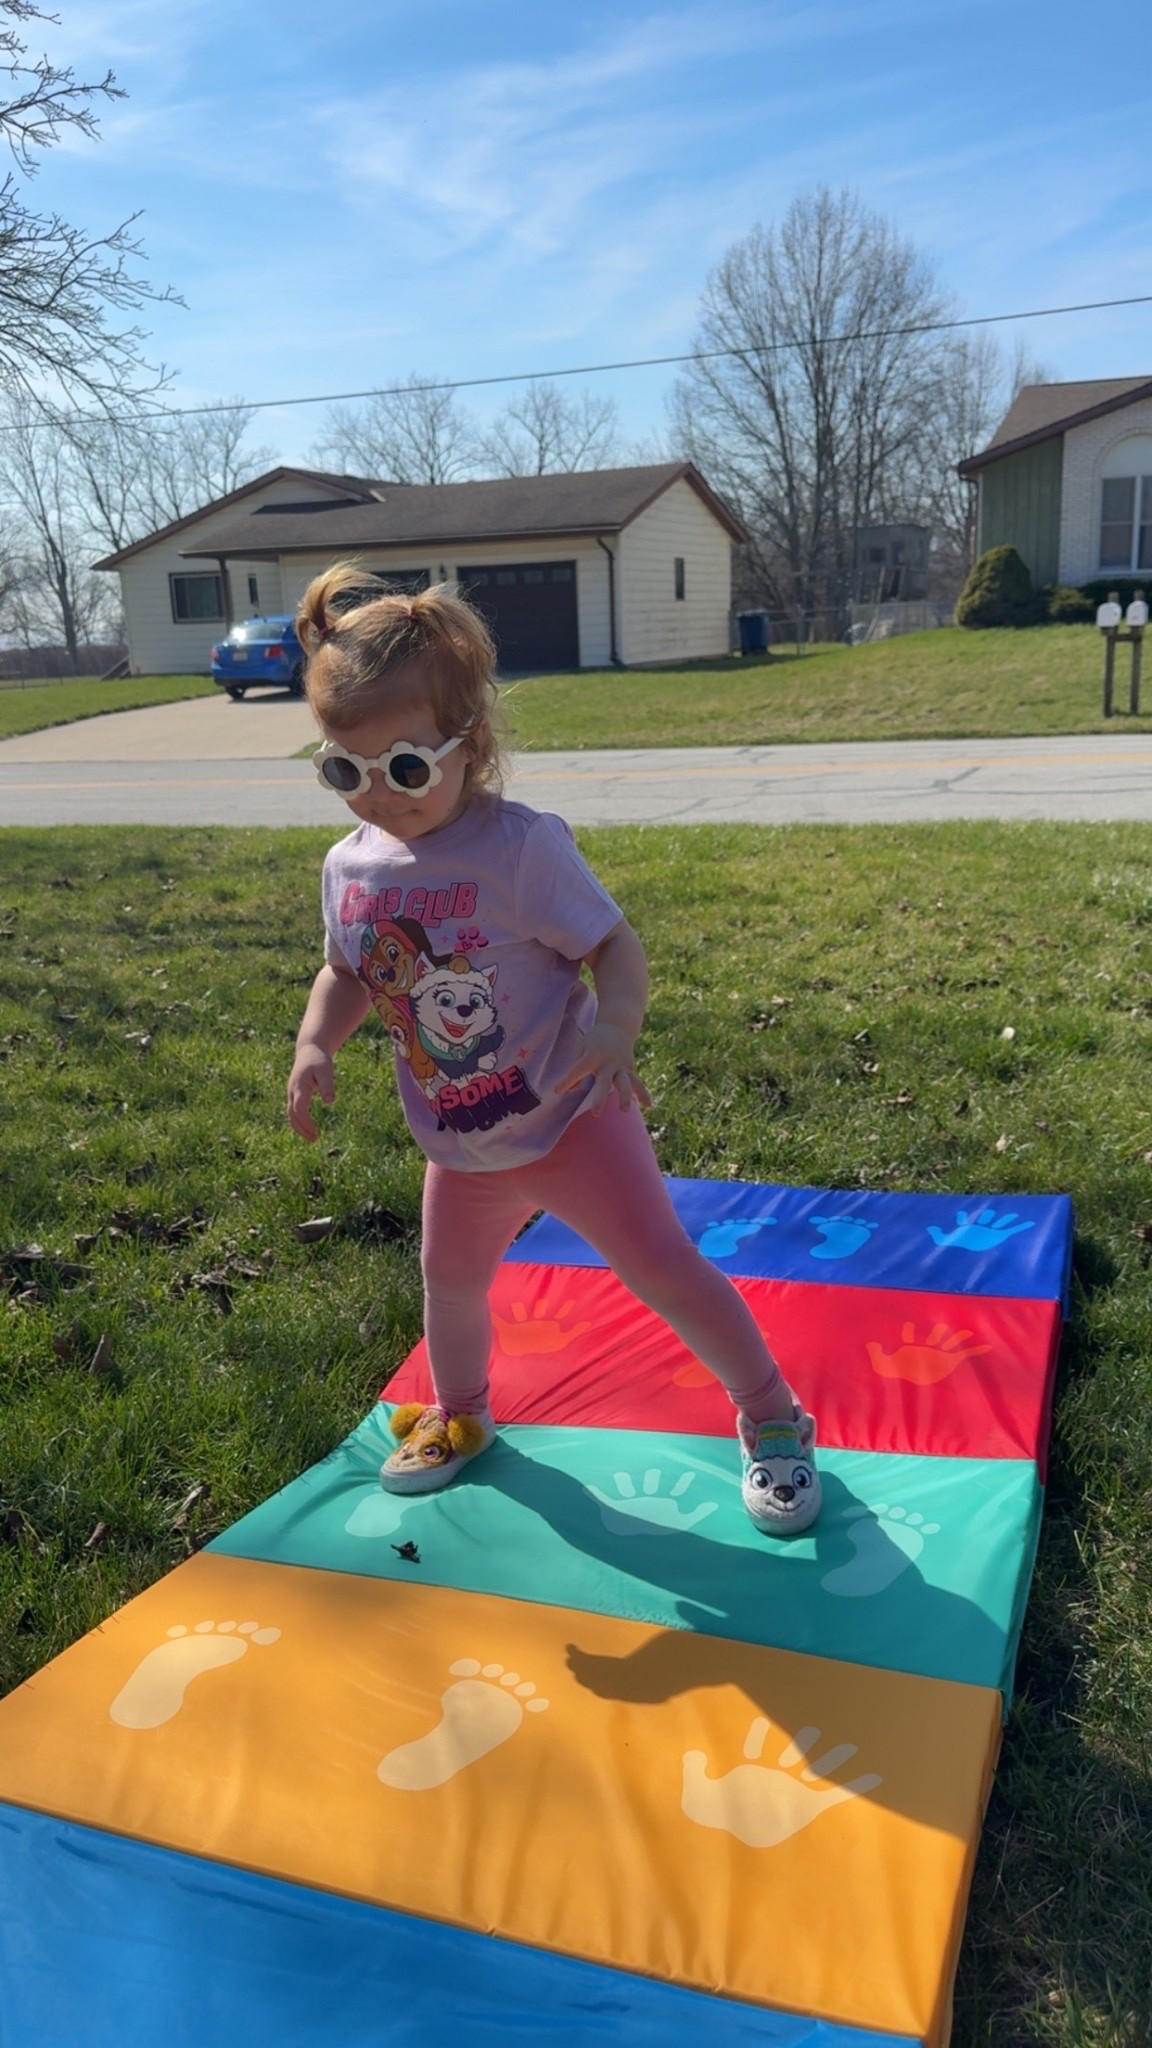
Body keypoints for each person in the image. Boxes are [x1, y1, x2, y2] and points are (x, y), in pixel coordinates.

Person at [286, 567, 820, 1535]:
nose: (377, 796)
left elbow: (613, 944)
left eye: (405, 767)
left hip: (573, 1114)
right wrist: (316, 1041)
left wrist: (613, 1027)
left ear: (470, 744)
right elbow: (350, 970)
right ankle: (464, 1413)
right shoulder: (349, 868)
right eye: (343, 769)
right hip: (462, 1140)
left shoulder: (518, 848)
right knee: (447, 1281)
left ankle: (773, 1413)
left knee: (661, 1265)